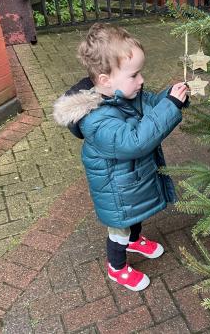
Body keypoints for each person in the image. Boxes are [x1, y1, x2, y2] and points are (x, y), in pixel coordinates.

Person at [53, 23, 188, 291]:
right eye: (134, 75)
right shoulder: (97, 120)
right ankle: (117, 267)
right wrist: (170, 108)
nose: (141, 81)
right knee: (120, 229)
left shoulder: (126, 94)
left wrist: (173, 97)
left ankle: (135, 241)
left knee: (134, 216)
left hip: (132, 184)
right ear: (105, 80)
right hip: (117, 191)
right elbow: (134, 142)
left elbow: (152, 104)